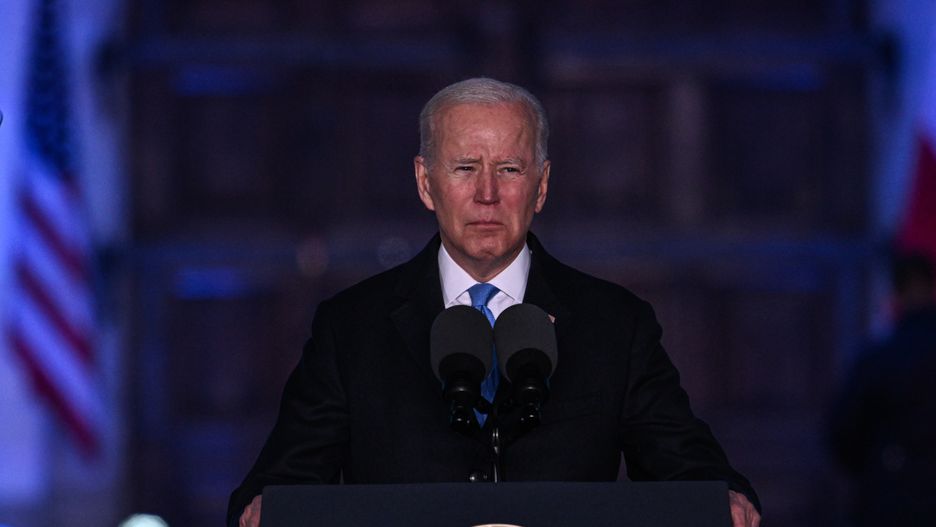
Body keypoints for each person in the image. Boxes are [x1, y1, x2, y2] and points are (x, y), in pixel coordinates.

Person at [228, 77, 762, 527]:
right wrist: (264, 509)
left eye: (509, 168)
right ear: (425, 182)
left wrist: (724, 501)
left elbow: (689, 471)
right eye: (465, 167)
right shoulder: (352, 328)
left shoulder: (614, 325)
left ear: (541, 185)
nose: (488, 193)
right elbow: (279, 489)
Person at [830, 251, 936, 525]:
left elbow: (843, 431)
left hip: (890, 496)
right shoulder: (879, 356)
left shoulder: (878, 358)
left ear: (895, 296)